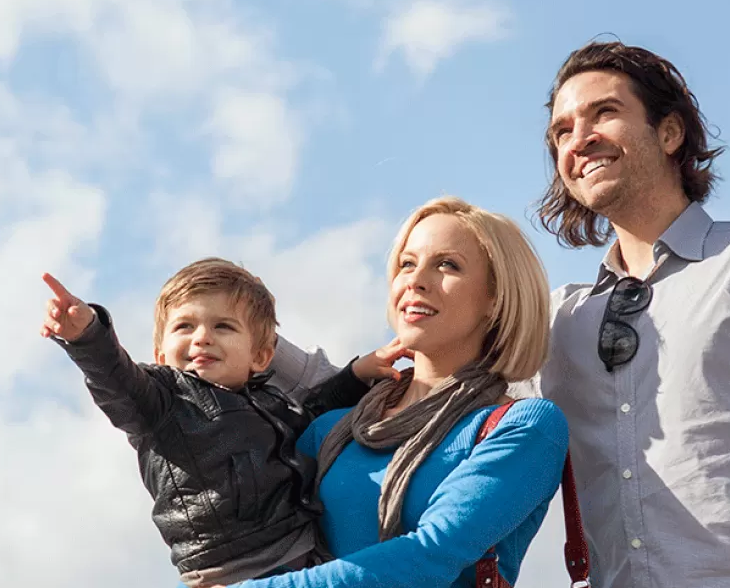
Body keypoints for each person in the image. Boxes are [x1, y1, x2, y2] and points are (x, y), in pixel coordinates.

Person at [225, 197, 569, 588]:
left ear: (496, 298)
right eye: (407, 263)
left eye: (447, 264)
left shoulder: (524, 426)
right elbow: (257, 541)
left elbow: (430, 556)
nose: (415, 280)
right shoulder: (330, 429)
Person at [38, 258, 410, 588]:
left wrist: (355, 376)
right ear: (160, 353)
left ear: (260, 356)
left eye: (223, 327)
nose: (202, 338)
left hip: (301, 549)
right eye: (184, 326)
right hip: (228, 569)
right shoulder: (162, 402)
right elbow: (117, 381)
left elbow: (313, 414)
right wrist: (87, 336)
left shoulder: (269, 401)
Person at [534, 40, 730, 587]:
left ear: (670, 133)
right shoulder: (556, 323)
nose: (580, 139)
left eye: (604, 112)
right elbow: (435, 388)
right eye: (562, 131)